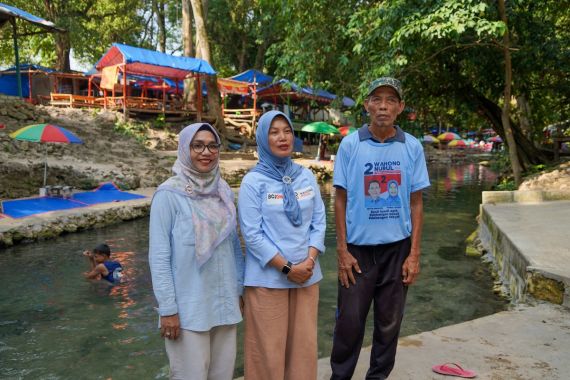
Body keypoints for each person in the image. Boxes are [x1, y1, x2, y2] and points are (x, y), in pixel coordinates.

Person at [330, 77, 430, 379]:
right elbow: (340, 200)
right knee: (349, 323)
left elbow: (416, 204)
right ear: (367, 105)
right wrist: (342, 251)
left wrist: (414, 255)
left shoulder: (412, 147)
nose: (383, 105)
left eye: (390, 100)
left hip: (398, 249)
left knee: (389, 324)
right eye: (377, 99)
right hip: (358, 251)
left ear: (400, 107)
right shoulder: (351, 144)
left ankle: (378, 376)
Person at [149, 123, 244, 380]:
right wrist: (168, 310)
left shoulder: (223, 191)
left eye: (213, 145)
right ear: (184, 149)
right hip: (189, 309)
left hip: (224, 303)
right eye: (198, 145)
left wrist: (239, 290)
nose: (206, 152)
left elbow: (233, 244)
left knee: (222, 375)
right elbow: (159, 257)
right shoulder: (168, 195)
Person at [238, 110, 326, 380]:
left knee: (303, 349)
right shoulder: (253, 182)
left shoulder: (306, 175)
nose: (282, 137)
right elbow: (252, 235)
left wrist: (308, 262)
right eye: (274, 132)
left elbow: (319, 222)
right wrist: (288, 268)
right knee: (267, 352)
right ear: (263, 139)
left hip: (307, 278)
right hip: (268, 281)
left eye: (287, 131)